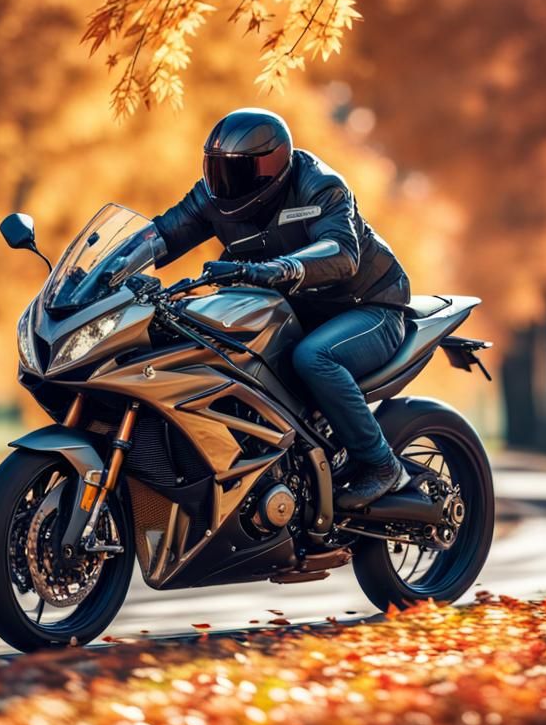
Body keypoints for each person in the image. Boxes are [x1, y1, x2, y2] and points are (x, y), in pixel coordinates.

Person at [151, 107, 411, 508]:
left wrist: (276, 269)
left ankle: (380, 465)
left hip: (368, 305)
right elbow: (162, 233)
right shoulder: (213, 196)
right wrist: (100, 272)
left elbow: (342, 253)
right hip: (296, 309)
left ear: (270, 170)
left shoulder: (320, 186)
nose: (224, 184)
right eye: (217, 169)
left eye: (236, 173)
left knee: (314, 358)